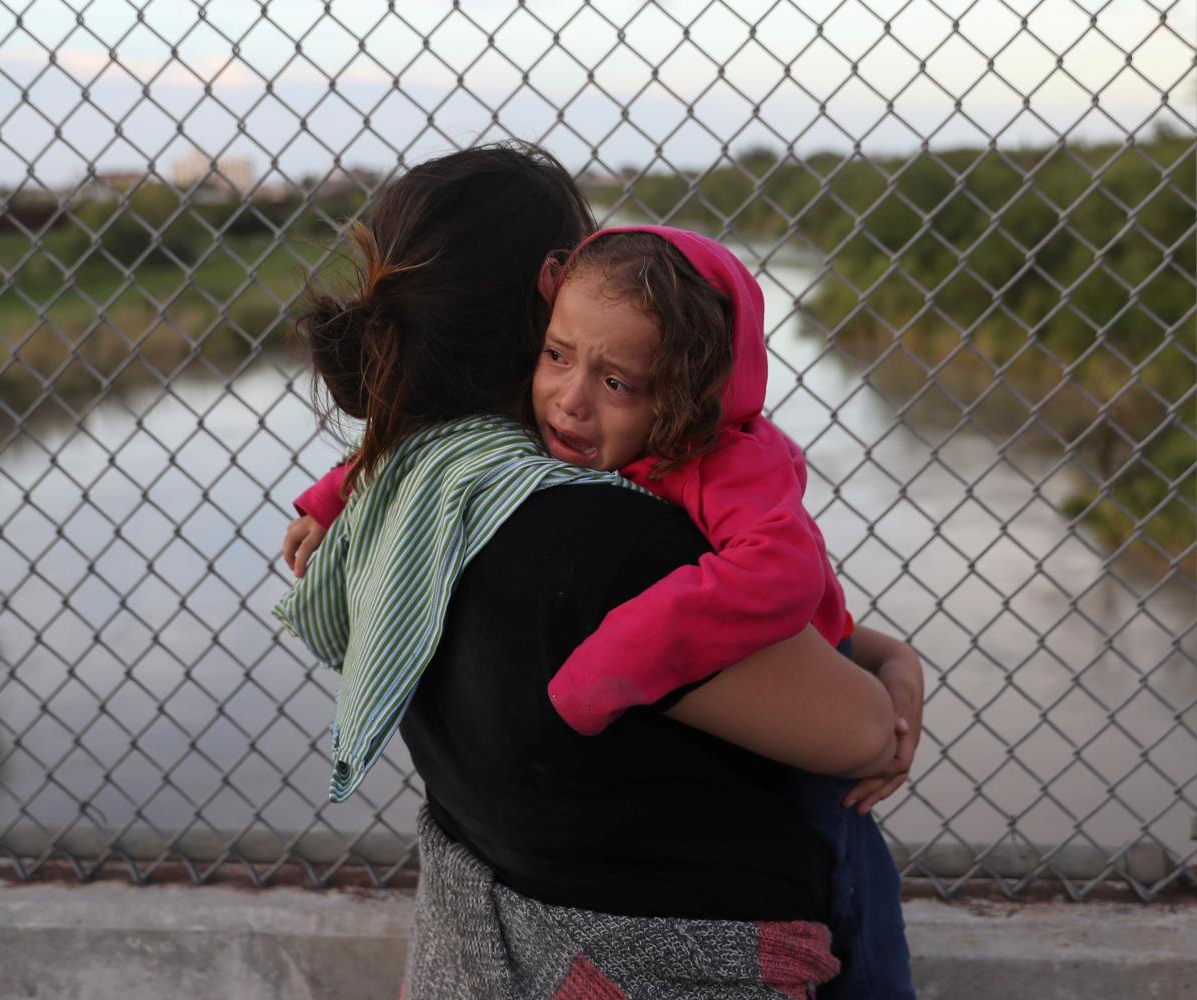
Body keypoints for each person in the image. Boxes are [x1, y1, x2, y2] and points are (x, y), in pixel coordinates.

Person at [273, 142, 922, 997]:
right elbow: (863, 735)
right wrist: (895, 666)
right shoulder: (594, 537)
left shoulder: (404, 489)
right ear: (551, 284)